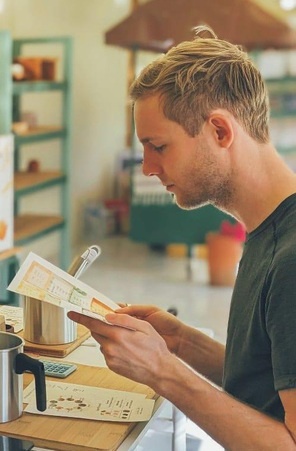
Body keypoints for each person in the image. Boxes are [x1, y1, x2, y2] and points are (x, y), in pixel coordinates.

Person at [69, 26, 296, 450]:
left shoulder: (292, 259)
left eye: (158, 146)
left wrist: (163, 372)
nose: (147, 169)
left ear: (220, 132)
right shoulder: (272, 230)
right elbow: (267, 381)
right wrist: (183, 343)